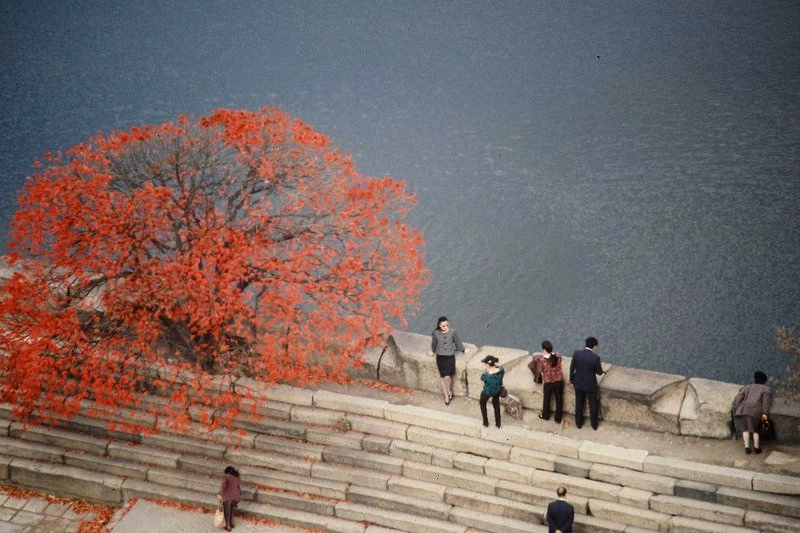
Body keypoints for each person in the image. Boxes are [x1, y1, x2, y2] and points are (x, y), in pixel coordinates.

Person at [732, 370, 773, 454]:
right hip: (755, 412)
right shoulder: (766, 389)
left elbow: (738, 398)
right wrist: (765, 416)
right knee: (756, 430)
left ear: (755, 379)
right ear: (764, 381)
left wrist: (735, 407)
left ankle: (747, 447)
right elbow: (765, 404)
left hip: (743, 410)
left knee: (745, 429)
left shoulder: (747, 387)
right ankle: (756, 448)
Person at [430, 316, 468, 405]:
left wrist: (463, 350)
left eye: (447, 325)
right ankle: (446, 394)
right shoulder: (436, 334)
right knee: (443, 376)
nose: (446, 327)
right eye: (443, 326)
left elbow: (457, 341)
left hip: (450, 356)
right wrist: (432, 351)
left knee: (448, 377)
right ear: (439, 326)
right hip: (440, 357)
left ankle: (448, 390)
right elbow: (434, 344)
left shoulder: (452, 332)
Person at [569, 336, 605, 430]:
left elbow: (572, 368)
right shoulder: (595, 358)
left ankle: (579, 424)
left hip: (578, 382)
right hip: (590, 384)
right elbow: (599, 372)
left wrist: (571, 379)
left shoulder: (577, 354)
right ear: (594, 346)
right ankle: (594, 425)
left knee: (579, 403)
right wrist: (603, 372)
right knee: (593, 404)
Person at [539, 340, 564, 423]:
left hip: (548, 382)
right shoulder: (558, 356)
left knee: (546, 400)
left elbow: (541, 370)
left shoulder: (542, 360)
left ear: (544, 349)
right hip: (559, 381)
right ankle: (558, 418)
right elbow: (558, 360)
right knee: (559, 400)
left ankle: (545, 415)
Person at [479, 354, 505, 428]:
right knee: (496, 406)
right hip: (497, 390)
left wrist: (487, 371)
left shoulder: (485, 375)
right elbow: (499, 367)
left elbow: (483, 379)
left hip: (487, 391)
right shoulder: (501, 370)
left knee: (482, 403)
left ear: (488, 364)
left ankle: (485, 422)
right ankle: (498, 424)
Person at [218, 465, 241, 531]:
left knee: (227, 511)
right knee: (231, 509)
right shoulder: (236, 478)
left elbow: (223, 486)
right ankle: (231, 523)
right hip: (236, 498)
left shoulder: (225, 476)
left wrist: (221, 494)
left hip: (228, 498)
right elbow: (239, 489)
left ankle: (228, 526)